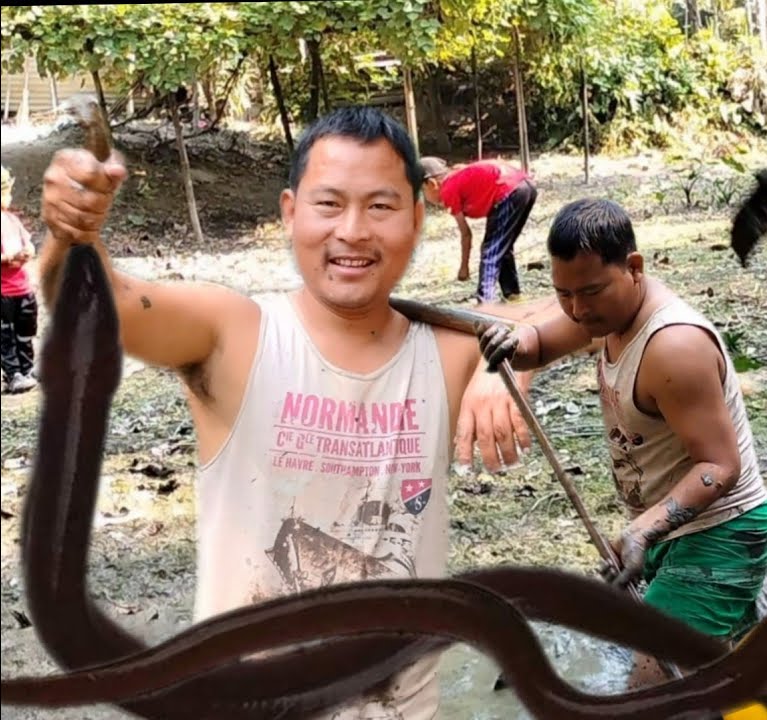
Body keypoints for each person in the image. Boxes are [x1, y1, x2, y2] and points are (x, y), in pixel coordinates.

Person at [39, 106, 569, 719]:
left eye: (380, 206)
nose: (353, 231)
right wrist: (69, 235)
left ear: (419, 218)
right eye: (328, 204)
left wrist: (508, 360)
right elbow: (102, 305)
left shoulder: (443, 351)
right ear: (290, 212)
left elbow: (598, 311)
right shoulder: (235, 333)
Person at [479, 197, 767, 689]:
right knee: (717, 676)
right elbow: (538, 343)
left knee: (648, 695)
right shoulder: (605, 312)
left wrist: (642, 531)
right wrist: (512, 340)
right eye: (563, 294)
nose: (577, 310)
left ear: (633, 267)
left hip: (721, 536)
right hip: (673, 533)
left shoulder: (673, 348)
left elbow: (721, 467)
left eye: (590, 292)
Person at [420, 156, 537, 305]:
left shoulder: (448, 190)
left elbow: (466, 234)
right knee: (502, 247)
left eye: (423, 191)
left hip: (509, 190)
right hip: (525, 187)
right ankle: (513, 294)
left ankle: (486, 302)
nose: (425, 197)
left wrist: (464, 267)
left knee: (490, 251)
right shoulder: (456, 177)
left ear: (432, 184)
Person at [1, 165, 39, 395]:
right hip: (3, 291)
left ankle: (27, 368)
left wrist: (27, 252)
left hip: (22, 287)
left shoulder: (11, 220)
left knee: (26, 331)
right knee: (5, 334)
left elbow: (29, 244)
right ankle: (13, 373)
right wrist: (8, 258)